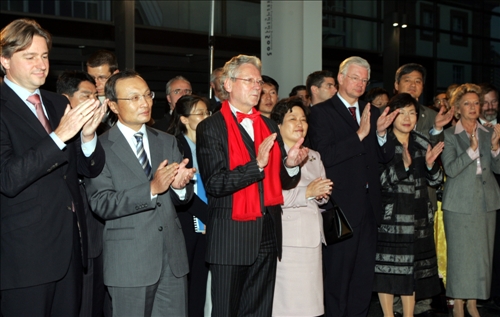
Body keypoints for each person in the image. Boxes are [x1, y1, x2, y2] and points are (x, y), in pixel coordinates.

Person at [0, 18, 106, 316]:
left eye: (44, 56)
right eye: (30, 56)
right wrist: (59, 135)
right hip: (23, 259)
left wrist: (87, 137)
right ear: (4, 60)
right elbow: (8, 178)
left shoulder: (57, 104)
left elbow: (86, 170)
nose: (41, 64)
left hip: (69, 250)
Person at [196, 54, 308, 317]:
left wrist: (291, 165)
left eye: (259, 81)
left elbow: (282, 181)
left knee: (259, 311)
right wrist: (256, 165)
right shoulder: (210, 127)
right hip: (230, 237)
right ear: (228, 84)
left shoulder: (268, 124)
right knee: (226, 311)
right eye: (250, 81)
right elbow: (215, 182)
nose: (257, 87)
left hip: (267, 232)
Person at [85, 70, 195, 317]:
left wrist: (180, 188)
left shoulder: (166, 141)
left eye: (147, 95)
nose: (144, 103)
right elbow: (101, 203)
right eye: (133, 98)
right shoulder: (100, 147)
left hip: (172, 260)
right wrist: (151, 189)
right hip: (129, 263)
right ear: (113, 105)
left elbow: (184, 197)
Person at [308, 56, 398, 317]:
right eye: (355, 77)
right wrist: (359, 135)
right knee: (337, 279)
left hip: (369, 208)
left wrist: (380, 134)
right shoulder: (321, 113)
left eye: (365, 80)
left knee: (362, 279)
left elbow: (384, 156)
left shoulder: (373, 111)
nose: (360, 84)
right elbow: (324, 155)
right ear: (340, 78)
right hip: (339, 208)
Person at [373, 93, 444, 317]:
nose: (407, 118)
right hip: (391, 218)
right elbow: (378, 182)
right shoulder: (381, 142)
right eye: (401, 112)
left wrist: (431, 166)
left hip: (418, 217)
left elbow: (435, 181)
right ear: (391, 114)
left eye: (412, 112)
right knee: (388, 271)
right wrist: (403, 167)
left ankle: (409, 314)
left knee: (411, 271)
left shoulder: (422, 142)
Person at [441, 83, 500, 317]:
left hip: (486, 202)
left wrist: (496, 149)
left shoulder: (487, 132)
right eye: (467, 103)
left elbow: (496, 168)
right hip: (459, 203)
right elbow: (451, 169)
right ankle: (457, 304)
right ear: (457, 108)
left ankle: (473, 303)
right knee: (460, 256)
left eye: (477, 103)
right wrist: (471, 151)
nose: (474, 107)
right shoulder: (449, 134)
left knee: (480, 257)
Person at [270, 97, 332, 317]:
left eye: (303, 119)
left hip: (313, 238)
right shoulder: (271, 156)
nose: (300, 123)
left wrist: (322, 194)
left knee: (311, 305)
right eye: (292, 118)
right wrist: (307, 193)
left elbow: (321, 199)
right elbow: (271, 196)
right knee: (288, 305)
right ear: (278, 125)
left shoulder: (314, 155)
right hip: (288, 239)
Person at [56, 70, 107, 317]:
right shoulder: (53, 133)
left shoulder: (93, 132)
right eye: (86, 96)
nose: (93, 102)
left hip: (92, 234)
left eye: (95, 97)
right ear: (66, 100)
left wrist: (89, 134)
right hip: (59, 237)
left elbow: (94, 170)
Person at [167, 95, 211, 317]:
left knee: (200, 285)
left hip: (209, 221)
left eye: (207, 112)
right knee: (185, 283)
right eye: (200, 113)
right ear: (184, 119)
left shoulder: (211, 144)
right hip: (188, 218)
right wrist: (208, 214)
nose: (206, 117)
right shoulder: (175, 145)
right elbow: (179, 190)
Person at [86, 49, 119, 133]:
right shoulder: (84, 102)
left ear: (115, 74)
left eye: (102, 78)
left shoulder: (125, 99)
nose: (96, 83)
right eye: (92, 78)